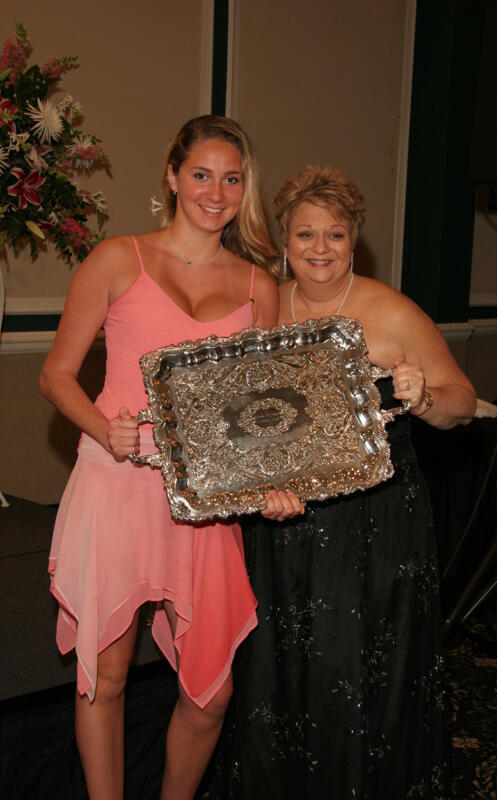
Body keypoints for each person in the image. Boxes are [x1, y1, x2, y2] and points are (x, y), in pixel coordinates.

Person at [40, 115, 303, 800]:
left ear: (243, 189)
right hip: (117, 485)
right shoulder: (117, 258)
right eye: (201, 175)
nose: (215, 192)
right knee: (109, 676)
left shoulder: (257, 287)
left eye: (231, 178)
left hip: (206, 503)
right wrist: (104, 429)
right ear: (172, 176)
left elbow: (260, 412)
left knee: (211, 692)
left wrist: (273, 484)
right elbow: (56, 376)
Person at [204, 165, 477, 799]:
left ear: (354, 239)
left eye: (334, 234)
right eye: (305, 234)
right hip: (283, 525)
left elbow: (462, 402)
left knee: (356, 669)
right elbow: (243, 428)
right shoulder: (263, 309)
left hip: (376, 527)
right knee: (281, 671)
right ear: (283, 239)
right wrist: (253, 491)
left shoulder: (392, 310)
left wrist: (422, 395)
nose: (319, 249)